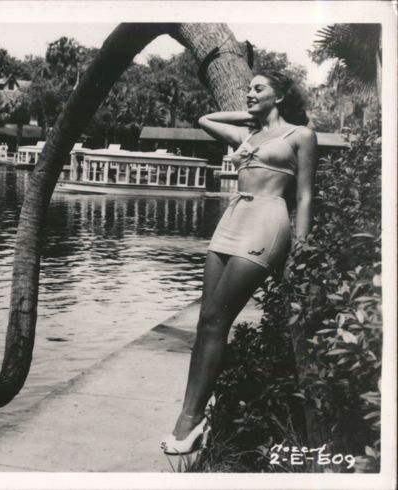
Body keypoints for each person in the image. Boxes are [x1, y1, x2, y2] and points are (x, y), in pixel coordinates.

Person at [160, 71, 318, 455]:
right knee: (206, 320)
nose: (249, 93)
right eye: (247, 87)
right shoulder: (247, 136)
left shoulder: (300, 135)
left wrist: (300, 247)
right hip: (232, 219)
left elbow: (305, 196)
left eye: (258, 89)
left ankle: (190, 420)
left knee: (217, 317)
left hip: (267, 221)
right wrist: (251, 115)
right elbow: (205, 120)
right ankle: (191, 415)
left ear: (279, 96)